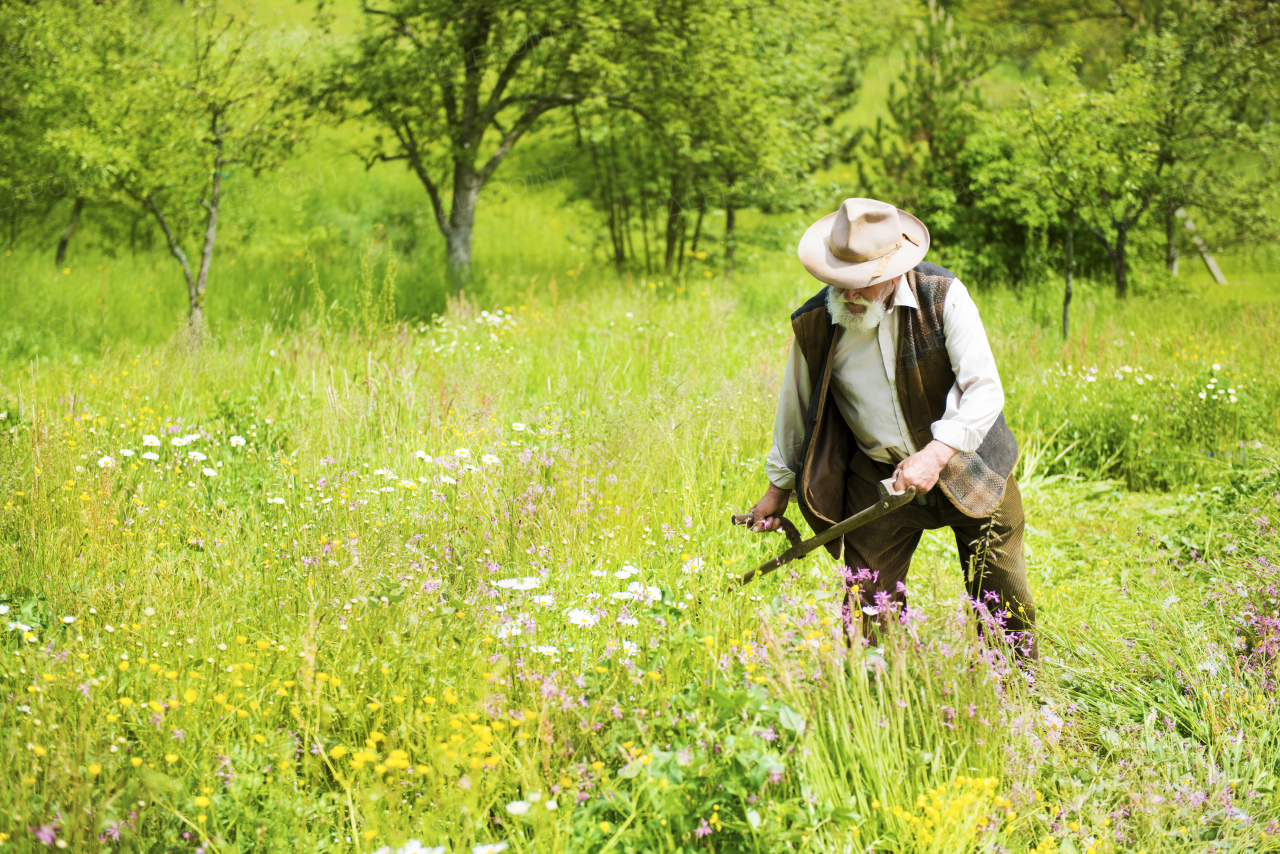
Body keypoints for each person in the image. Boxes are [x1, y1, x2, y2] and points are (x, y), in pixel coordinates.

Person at [745, 198, 1038, 661]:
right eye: (840, 282)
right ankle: (880, 701)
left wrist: (935, 453)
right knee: (865, 609)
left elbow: (983, 389)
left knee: (1002, 595)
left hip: (969, 461)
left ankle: (1020, 695)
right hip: (877, 477)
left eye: (862, 283)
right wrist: (776, 491)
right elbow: (794, 410)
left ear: (895, 269)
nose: (848, 294)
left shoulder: (942, 294)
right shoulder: (816, 323)